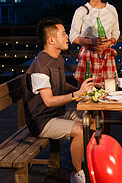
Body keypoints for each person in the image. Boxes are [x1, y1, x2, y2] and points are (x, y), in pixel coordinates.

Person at [23, 17, 95, 183]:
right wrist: (77, 95)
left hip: (57, 113)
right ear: (51, 40)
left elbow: (62, 84)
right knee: (79, 129)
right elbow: (48, 101)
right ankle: (77, 173)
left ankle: (82, 158)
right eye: (63, 34)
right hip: (41, 121)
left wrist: (79, 90)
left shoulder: (57, 58)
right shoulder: (41, 64)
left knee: (92, 119)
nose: (67, 37)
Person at [69, 0, 120, 85]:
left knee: (109, 90)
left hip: (106, 54)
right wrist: (91, 41)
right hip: (88, 56)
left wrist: (108, 43)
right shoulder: (81, 11)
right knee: (86, 92)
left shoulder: (111, 9)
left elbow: (116, 32)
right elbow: (72, 37)